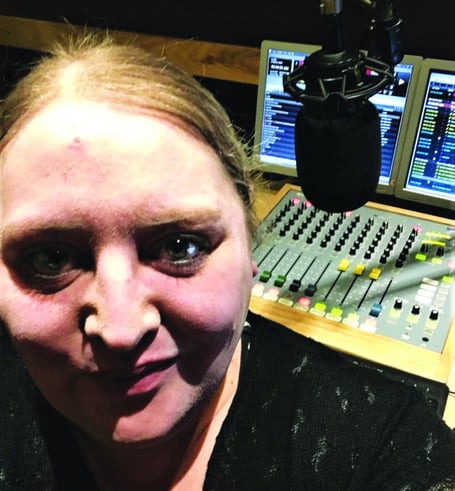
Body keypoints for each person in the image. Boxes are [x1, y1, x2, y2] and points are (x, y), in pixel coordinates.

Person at [0, 34, 454, 491]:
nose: (121, 332)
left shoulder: (382, 439)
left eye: (180, 247)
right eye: (51, 259)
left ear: (249, 247)